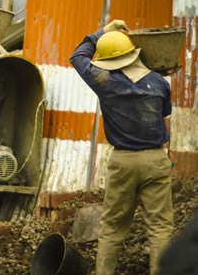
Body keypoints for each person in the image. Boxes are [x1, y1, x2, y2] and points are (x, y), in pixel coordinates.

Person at [69, 20, 173, 275]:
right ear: (133, 52)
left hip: (122, 162)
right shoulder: (159, 83)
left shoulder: (103, 80)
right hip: (155, 160)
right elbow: (165, 111)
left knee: (113, 228)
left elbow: (78, 55)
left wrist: (103, 31)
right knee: (160, 228)